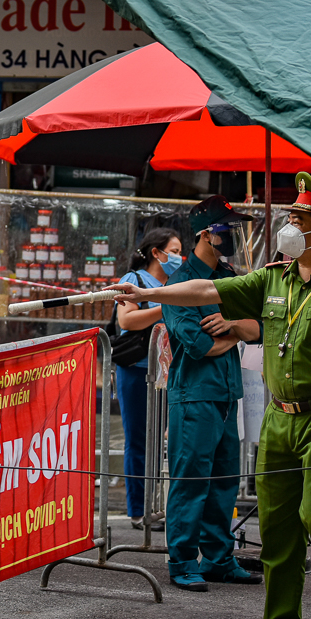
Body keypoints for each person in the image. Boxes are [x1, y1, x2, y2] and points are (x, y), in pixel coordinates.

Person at [110, 172, 311, 619]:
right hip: (281, 421)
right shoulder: (273, 277)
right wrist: (150, 296)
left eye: (298, 221)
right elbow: (203, 290)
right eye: (290, 219)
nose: (289, 227)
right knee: (279, 524)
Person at [161, 196, 263, 591]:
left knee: (224, 479)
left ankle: (218, 558)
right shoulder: (180, 284)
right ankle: (183, 559)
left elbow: (258, 328)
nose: (232, 236)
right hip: (194, 395)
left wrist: (233, 326)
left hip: (225, 393)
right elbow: (198, 344)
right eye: (227, 229)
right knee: (191, 479)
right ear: (206, 233)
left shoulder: (230, 276)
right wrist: (238, 329)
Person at [114, 227, 182, 530]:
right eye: (175, 251)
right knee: (139, 440)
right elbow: (126, 319)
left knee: (158, 441)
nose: (178, 257)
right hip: (136, 370)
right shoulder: (135, 280)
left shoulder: (173, 283)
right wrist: (164, 306)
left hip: (166, 372)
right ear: (156, 252)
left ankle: (155, 505)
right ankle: (137, 510)